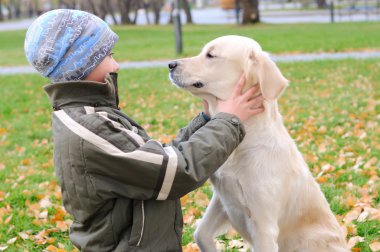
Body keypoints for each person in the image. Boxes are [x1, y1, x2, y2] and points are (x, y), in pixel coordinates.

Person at [24, 9, 264, 252]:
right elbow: (177, 172)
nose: (116, 64)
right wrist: (228, 120)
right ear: (83, 62)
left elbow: (156, 160)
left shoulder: (92, 114)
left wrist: (206, 120)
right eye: (108, 55)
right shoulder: (90, 129)